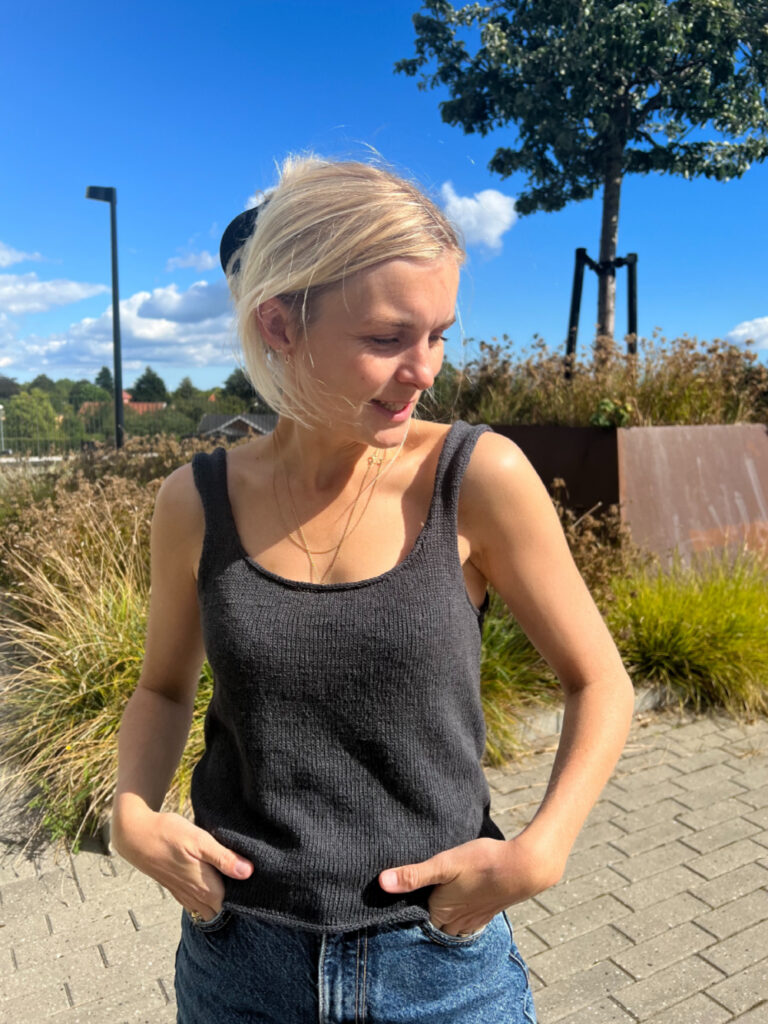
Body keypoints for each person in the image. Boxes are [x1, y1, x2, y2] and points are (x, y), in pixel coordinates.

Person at [111, 156, 634, 1024]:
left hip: (438, 966)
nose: (425, 370)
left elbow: (599, 680)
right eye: (389, 338)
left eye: (439, 335)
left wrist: (541, 850)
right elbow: (162, 689)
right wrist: (131, 813)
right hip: (239, 962)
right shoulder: (194, 502)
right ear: (279, 323)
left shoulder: (477, 476)